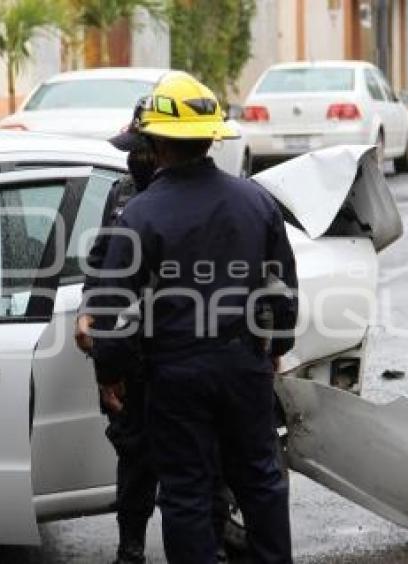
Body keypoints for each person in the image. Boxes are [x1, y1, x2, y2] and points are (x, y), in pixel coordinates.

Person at [87, 72, 298, 563]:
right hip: (244, 363)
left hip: (176, 372)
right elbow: (282, 288)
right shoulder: (256, 200)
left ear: (156, 143)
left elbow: (114, 309)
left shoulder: (140, 214)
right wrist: (277, 345)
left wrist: (110, 372)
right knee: (260, 480)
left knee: (185, 491)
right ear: (210, 139)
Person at [75, 102, 159, 564]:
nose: (134, 159)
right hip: (125, 351)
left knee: (200, 462)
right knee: (132, 455)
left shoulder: (183, 199)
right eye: (131, 150)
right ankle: (131, 549)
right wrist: (87, 309)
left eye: (142, 150)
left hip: (171, 352)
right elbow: (102, 261)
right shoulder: (123, 192)